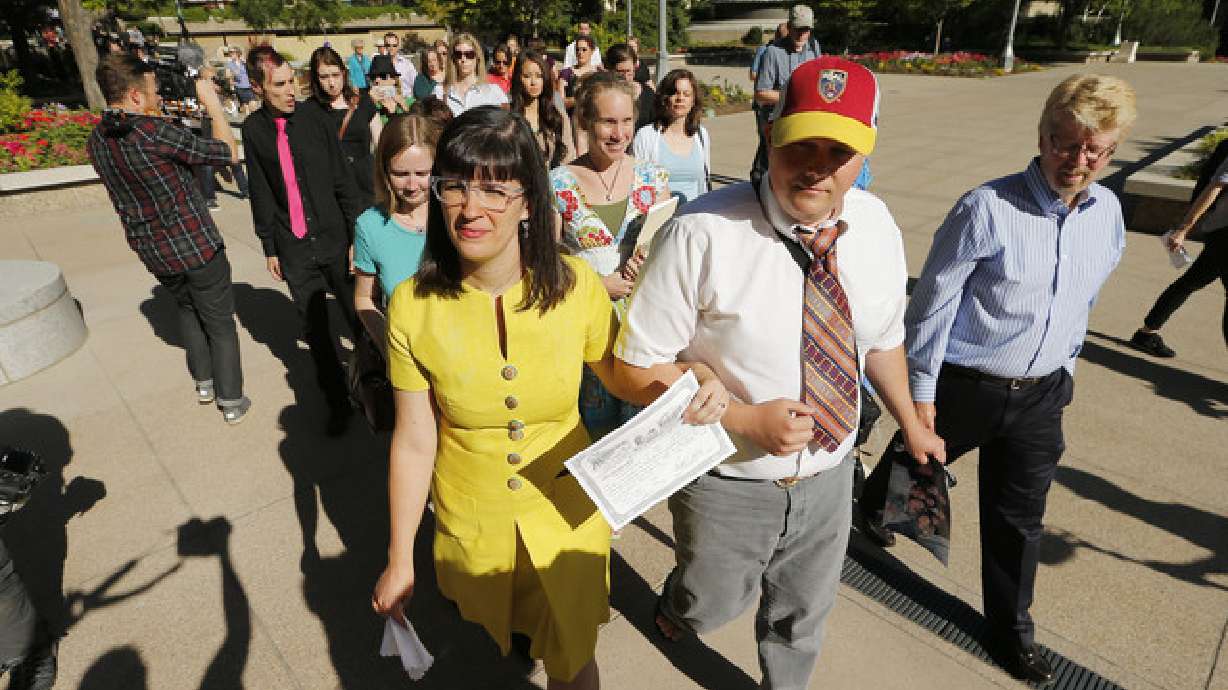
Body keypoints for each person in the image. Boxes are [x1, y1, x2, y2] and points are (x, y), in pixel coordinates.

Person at [612, 56, 944, 690]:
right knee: (712, 603)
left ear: (865, 151)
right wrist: (743, 418)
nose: (817, 165)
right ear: (772, 133)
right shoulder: (702, 231)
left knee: (803, 617)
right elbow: (633, 367)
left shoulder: (875, 226)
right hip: (726, 480)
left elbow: (882, 339)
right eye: (803, 142)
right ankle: (678, 601)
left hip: (830, 476)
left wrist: (911, 421)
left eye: (839, 149)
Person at [370, 106, 728, 690]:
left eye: (494, 190)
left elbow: (619, 375)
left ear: (530, 202)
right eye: (455, 187)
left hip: (567, 509)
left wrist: (687, 376)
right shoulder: (412, 304)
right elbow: (414, 439)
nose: (471, 208)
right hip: (473, 516)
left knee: (572, 653)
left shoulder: (574, 286)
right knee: (501, 636)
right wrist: (400, 555)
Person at [859, 74, 1137, 685]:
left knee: (1018, 519)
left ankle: (1011, 630)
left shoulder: (1108, 213)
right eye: (1066, 144)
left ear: (1112, 152)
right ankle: (870, 507)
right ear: (1042, 135)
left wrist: (1063, 365)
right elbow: (932, 305)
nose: (1078, 161)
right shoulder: (986, 208)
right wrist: (921, 397)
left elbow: (1083, 296)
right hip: (968, 382)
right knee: (919, 457)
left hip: (1041, 396)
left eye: (1096, 150)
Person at [87, 53, 251, 424]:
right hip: (197, 246)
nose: (158, 97)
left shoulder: (97, 139)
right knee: (220, 322)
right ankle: (232, 400)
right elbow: (228, 152)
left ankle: (205, 384)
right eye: (153, 91)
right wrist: (213, 106)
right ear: (133, 96)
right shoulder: (154, 133)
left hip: (154, 252)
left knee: (187, 310)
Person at [242, 45, 364, 436]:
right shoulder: (255, 130)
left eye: (292, 80)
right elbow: (260, 189)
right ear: (259, 88)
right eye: (279, 84)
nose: (291, 90)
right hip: (293, 246)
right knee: (317, 334)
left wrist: (356, 237)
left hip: (334, 237)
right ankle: (337, 403)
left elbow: (343, 182)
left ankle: (377, 386)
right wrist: (269, 245)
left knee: (359, 319)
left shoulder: (315, 119)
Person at [550, 73, 669, 435]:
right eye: (608, 122)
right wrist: (598, 285)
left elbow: (670, 254)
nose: (619, 133)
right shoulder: (558, 182)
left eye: (627, 121)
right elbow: (544, 263)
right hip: (588, 340)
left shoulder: (653, 178)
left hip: (644, 336)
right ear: (586, 122)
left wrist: (651, 255)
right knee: (592, 446)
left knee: (644, 447)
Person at [353, 115, 440, 354]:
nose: (412, 186)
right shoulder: (370, 225)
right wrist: (389, 349)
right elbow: (364, 298)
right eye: (401, 174)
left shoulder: (457, 215)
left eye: (422, 173)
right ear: (384, 171)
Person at [1130, 147, 1228, 357]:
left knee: (1190, 282)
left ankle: (1146, 334)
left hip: (1220, 235)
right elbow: (1215, 186)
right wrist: (1184, 228)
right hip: (1224, 235)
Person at [303, 46, 381, 208]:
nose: (331, 83)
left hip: (365, 185)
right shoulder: (309, 110)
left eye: (335, 75)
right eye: (324, 77)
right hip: (330, 189)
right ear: (316, 79)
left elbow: (380, 144)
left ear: (344, 73)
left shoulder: (364, 103)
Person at [752, 5, 821, 188]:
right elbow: (761, 93)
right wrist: (793, 97)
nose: (801, 35)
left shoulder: (814, 48)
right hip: (775, 118)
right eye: (797, 29)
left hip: (802, 119)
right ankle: (759, 189)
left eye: (805, 30)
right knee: (770, 165)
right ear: (789, 27)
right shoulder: (773, 52)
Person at [632, 68, 710, 205]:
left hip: (694, 219)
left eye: (686, 94)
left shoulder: (701, 135)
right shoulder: (646, 136)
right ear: (664, 98)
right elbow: (638, 187)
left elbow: (703, 184)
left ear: (693, 101)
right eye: (674, 93)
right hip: (660, 220)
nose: (680, 98)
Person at [510, 49, 572, 169]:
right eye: (527, 76)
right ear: (518, 78)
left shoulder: (557, 117)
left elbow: (569, 158)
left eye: (539, 76)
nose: (533, 82)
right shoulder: (508, 117)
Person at [443, 33, 508, 116]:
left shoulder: (494, 92)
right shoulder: (441, 91)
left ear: (477, 57)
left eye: (469, 54)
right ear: (453, 58)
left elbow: (506, 124)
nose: (463, 59)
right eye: (458, 54)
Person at [559, 36, 599, 113]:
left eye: (584, 49)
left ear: (592, 51)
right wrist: (580, 99)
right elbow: (559, 103)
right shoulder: (566, 73)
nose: (580, 53)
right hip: (572, 119)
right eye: (577, 49)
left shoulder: (599, 74)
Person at [369, 54, 412, 122]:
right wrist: (372, 103)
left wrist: (404, 106)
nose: (380, 81)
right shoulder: (369, 102)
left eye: (385, 76)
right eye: (378, 76)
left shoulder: (407, 101)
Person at [384, 31, 418, 98]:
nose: (391, 48)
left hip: (405, 100)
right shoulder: (378, 64)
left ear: (398, 46)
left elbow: (416, 84)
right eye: (388, 45)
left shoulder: (407, 64)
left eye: (394, 45)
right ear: (385, 46)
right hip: (386, 102)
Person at [226, 46, 256, 114]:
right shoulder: (230, 64)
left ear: (237, 53)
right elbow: (227, 76)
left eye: (232, 53)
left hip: (249, 86)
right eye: (230, 53)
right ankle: (246, 115)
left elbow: (251, 71)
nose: (230, 54)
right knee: (247, 107)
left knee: (253, 104)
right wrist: (233, 74)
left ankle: (241, 108)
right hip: (239, 87)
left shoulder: (244, 63)